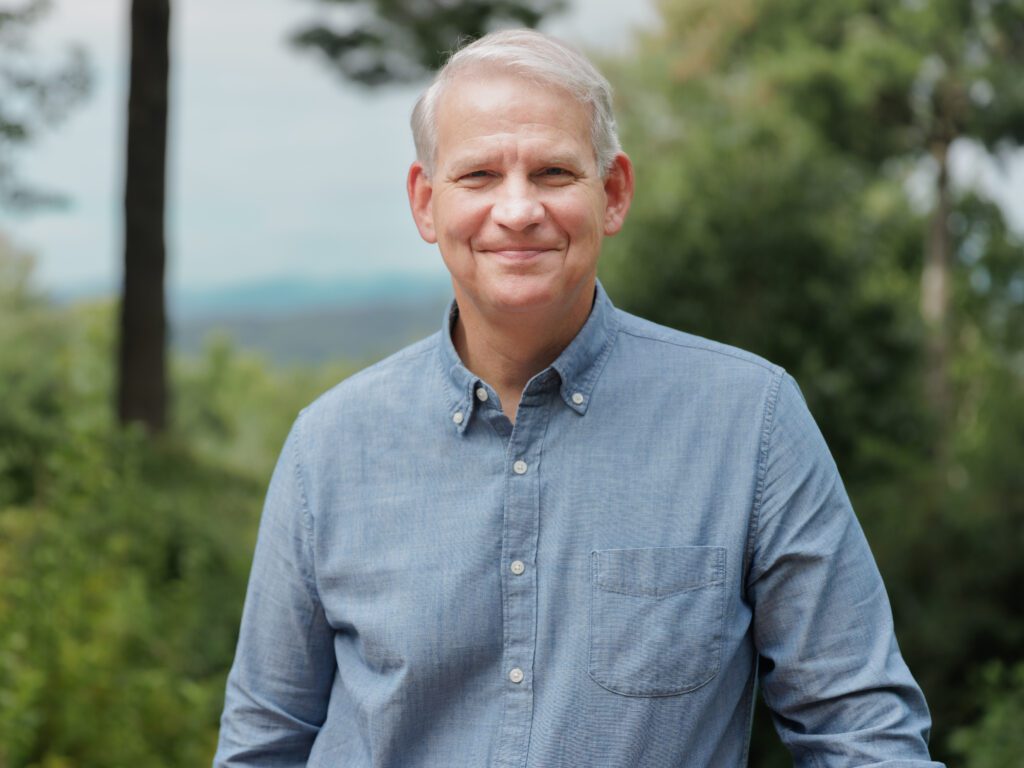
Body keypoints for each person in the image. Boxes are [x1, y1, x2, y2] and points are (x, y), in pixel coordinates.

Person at [215, 29, 943, 767]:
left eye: (555, 172)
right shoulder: (329, 448)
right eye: (479, 176)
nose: (519, 209)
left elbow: (861, 730)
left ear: (614, 193)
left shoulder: (750, 423)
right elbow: (263, 744)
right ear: (426, 202)